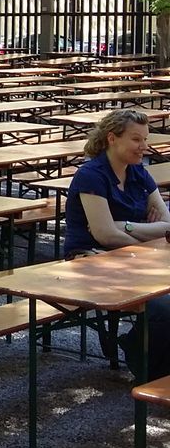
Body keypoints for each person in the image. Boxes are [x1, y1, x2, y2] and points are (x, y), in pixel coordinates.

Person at [63, 108, 170, 378]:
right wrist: (147, 236)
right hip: (91, 259)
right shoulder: (91, 175)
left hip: (130, 257)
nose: (144, 147)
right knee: (162, 305)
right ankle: (146, 365)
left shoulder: (138, 173)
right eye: (136, 140)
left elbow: (167, 225)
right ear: (112, 139)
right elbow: (104, 235)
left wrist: (129, 227)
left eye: (145, 140)